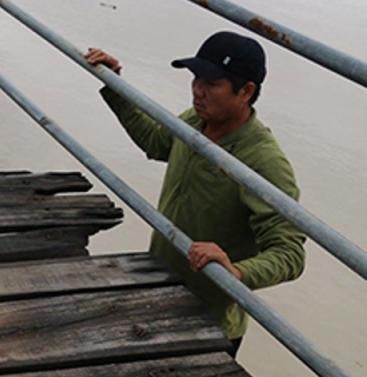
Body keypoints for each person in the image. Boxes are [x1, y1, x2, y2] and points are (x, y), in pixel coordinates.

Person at [85, 32, 305, 356]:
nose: (197, 92)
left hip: (209, 324)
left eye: (212, 84)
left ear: (246, 91)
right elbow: (156, 141)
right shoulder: (197, 120)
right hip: (159, 290)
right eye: (196, 79)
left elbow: (290, 254)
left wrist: (236, 271)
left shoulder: (263, 161)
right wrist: (115, 85)